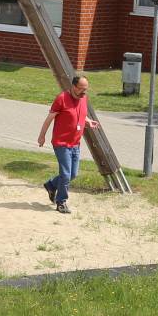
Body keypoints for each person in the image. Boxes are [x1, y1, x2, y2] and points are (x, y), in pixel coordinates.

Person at [36, 74, 100, 214]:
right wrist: (42, 136)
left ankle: (51, 185)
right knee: (65, 173)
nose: (84, 92)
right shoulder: (62, 99)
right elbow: (49, 119)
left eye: (86, 89)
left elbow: (81, 114)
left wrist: (88, 121)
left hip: (75, 143)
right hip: (61, 143)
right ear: (73, 86)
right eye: (81, 88)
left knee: (72, 174)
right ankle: (61, 202)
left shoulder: (83, 98)